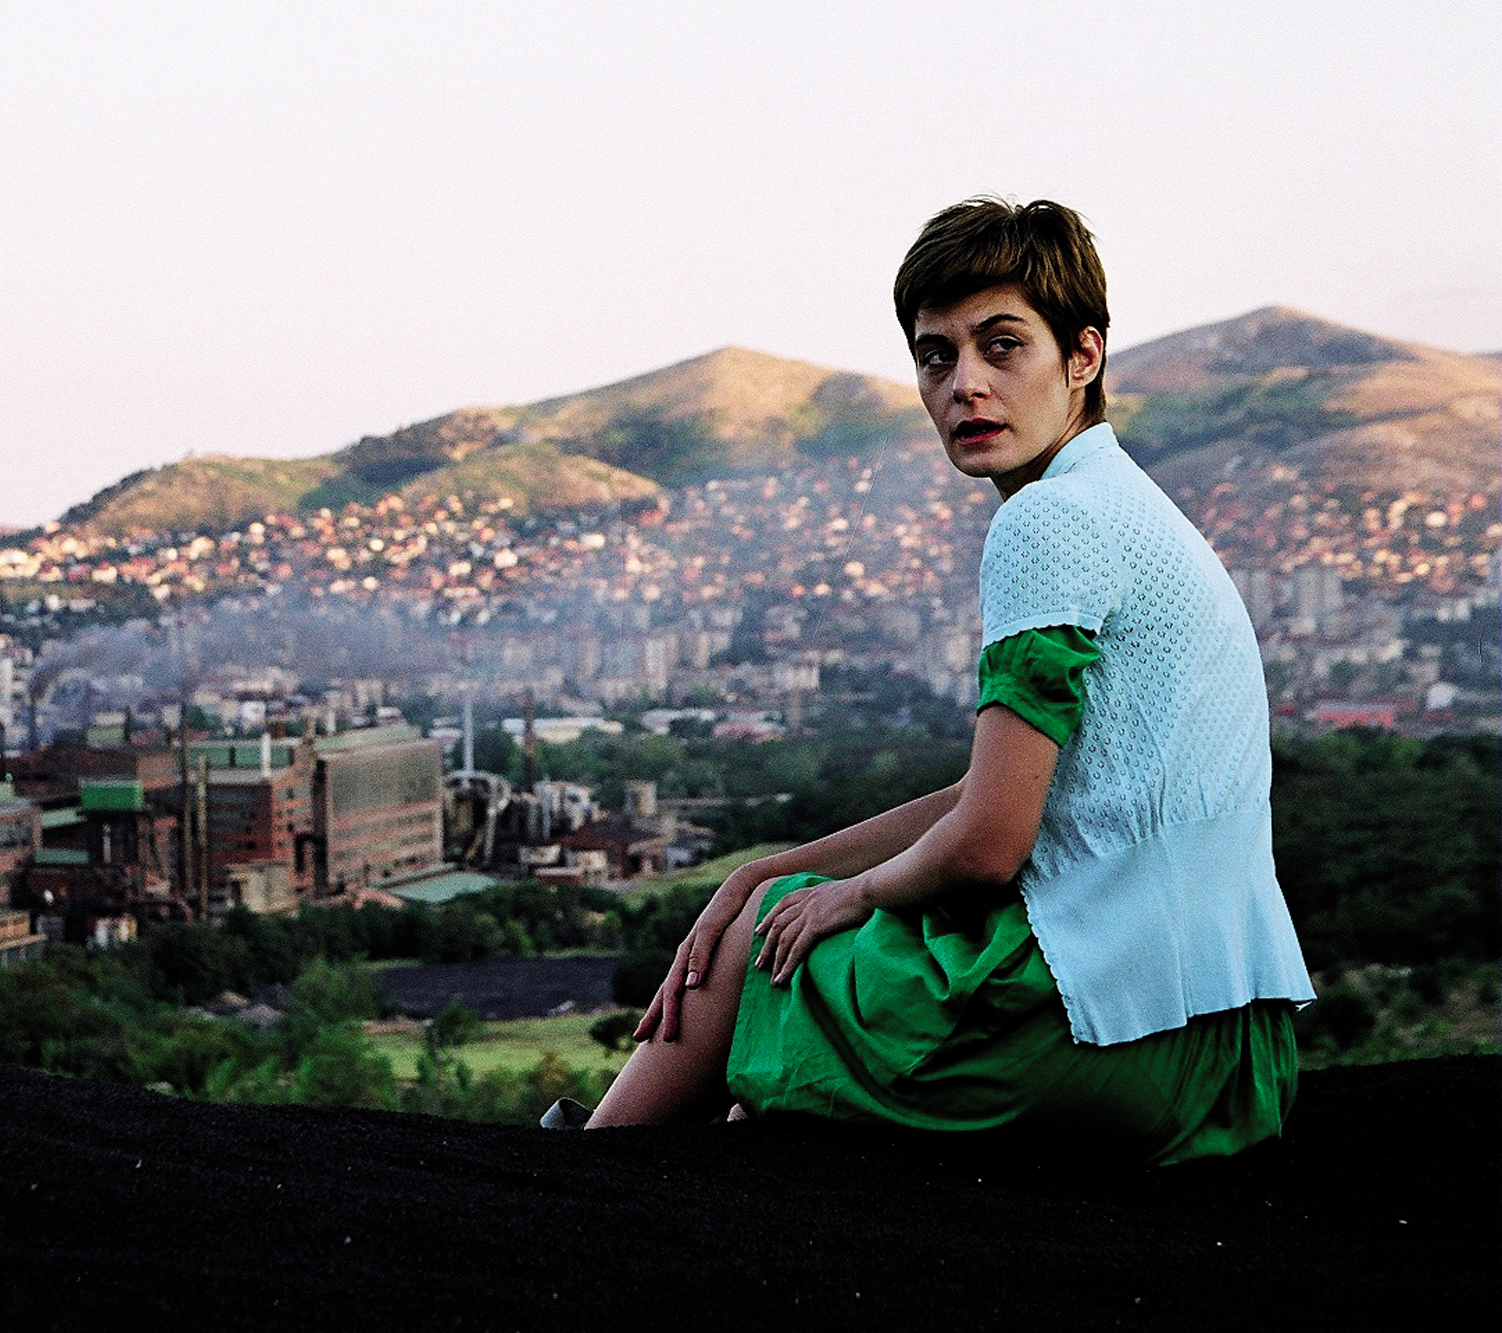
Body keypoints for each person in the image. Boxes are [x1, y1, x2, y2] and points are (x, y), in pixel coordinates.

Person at [561, 198, 1315, 1163]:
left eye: (1002, 347)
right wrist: (764, 871)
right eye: (936, 357)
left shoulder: (1046, 521)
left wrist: (844, 894)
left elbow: (991, 844)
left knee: (762, 940)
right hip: (1229, 1056)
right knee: (772, 908)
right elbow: (989, 794)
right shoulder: (1131, 504)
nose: (966, 385)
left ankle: (578, 1171)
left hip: (1097, 1036)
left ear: (1082, 356)